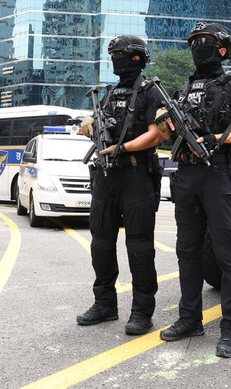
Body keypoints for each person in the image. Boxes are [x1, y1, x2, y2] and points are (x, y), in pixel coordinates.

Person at [158, 22, 231, 358]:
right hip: (186, 175)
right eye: (193, 42)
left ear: (222, 49)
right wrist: (164, 120)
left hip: (219, 175)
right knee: (186, 252)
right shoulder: (184, 88)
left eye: (204, 42)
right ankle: (190, 319)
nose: (197, 47)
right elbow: (164, 131)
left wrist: (219, 138)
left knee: (227, 254)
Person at [76, 35, 164, 336]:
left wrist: (123, 149)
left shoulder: (151, 91)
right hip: (105, 176)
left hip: (136, 175)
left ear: (137, 57)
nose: (116, 59)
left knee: (139, 246)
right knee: (100, 242)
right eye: (112, 54)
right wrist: (88, 126)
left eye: (121, 54)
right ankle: (104, 304)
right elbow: (92, 124)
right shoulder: (110, 92)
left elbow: (156, 135)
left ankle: (142, 311)